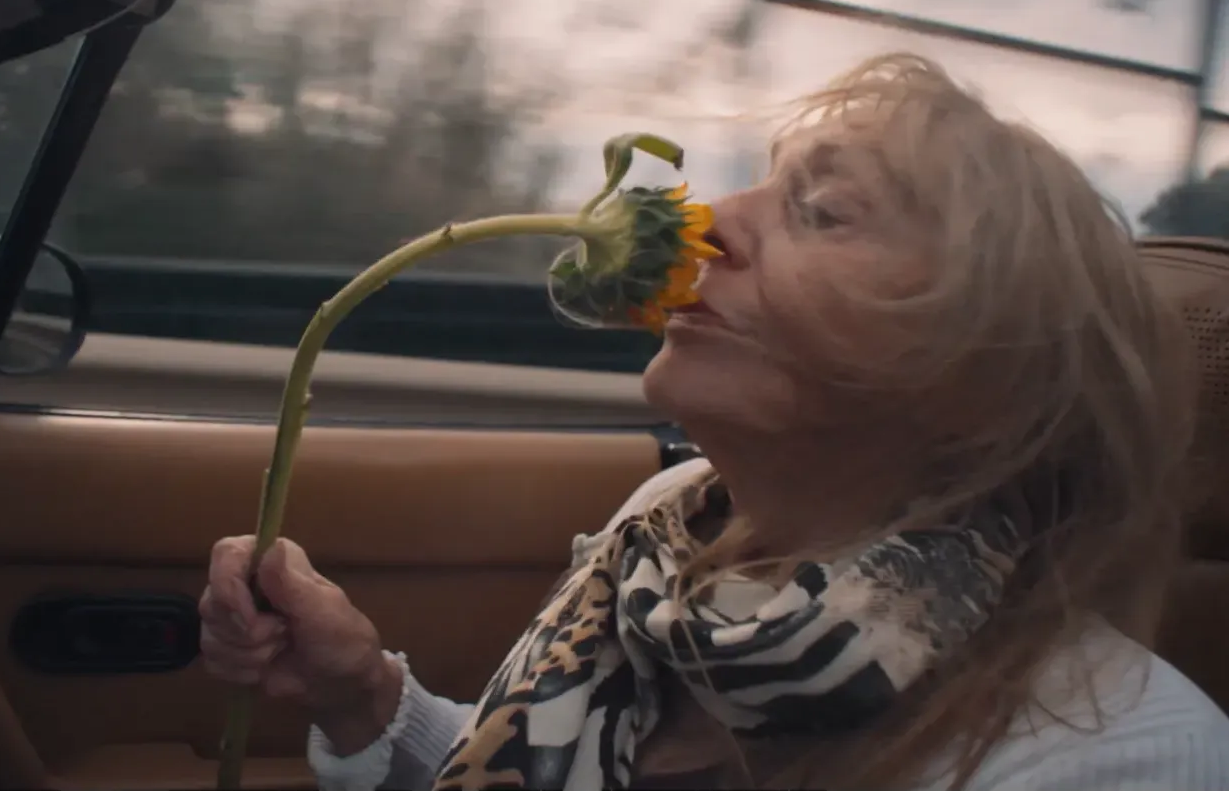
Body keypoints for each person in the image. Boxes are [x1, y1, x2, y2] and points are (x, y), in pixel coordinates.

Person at [199, 53, 1229, 790]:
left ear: (990, 374)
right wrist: (363, 696)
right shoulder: (667, 523)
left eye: (822, 211)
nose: (712, 223)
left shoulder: (1126, 751)